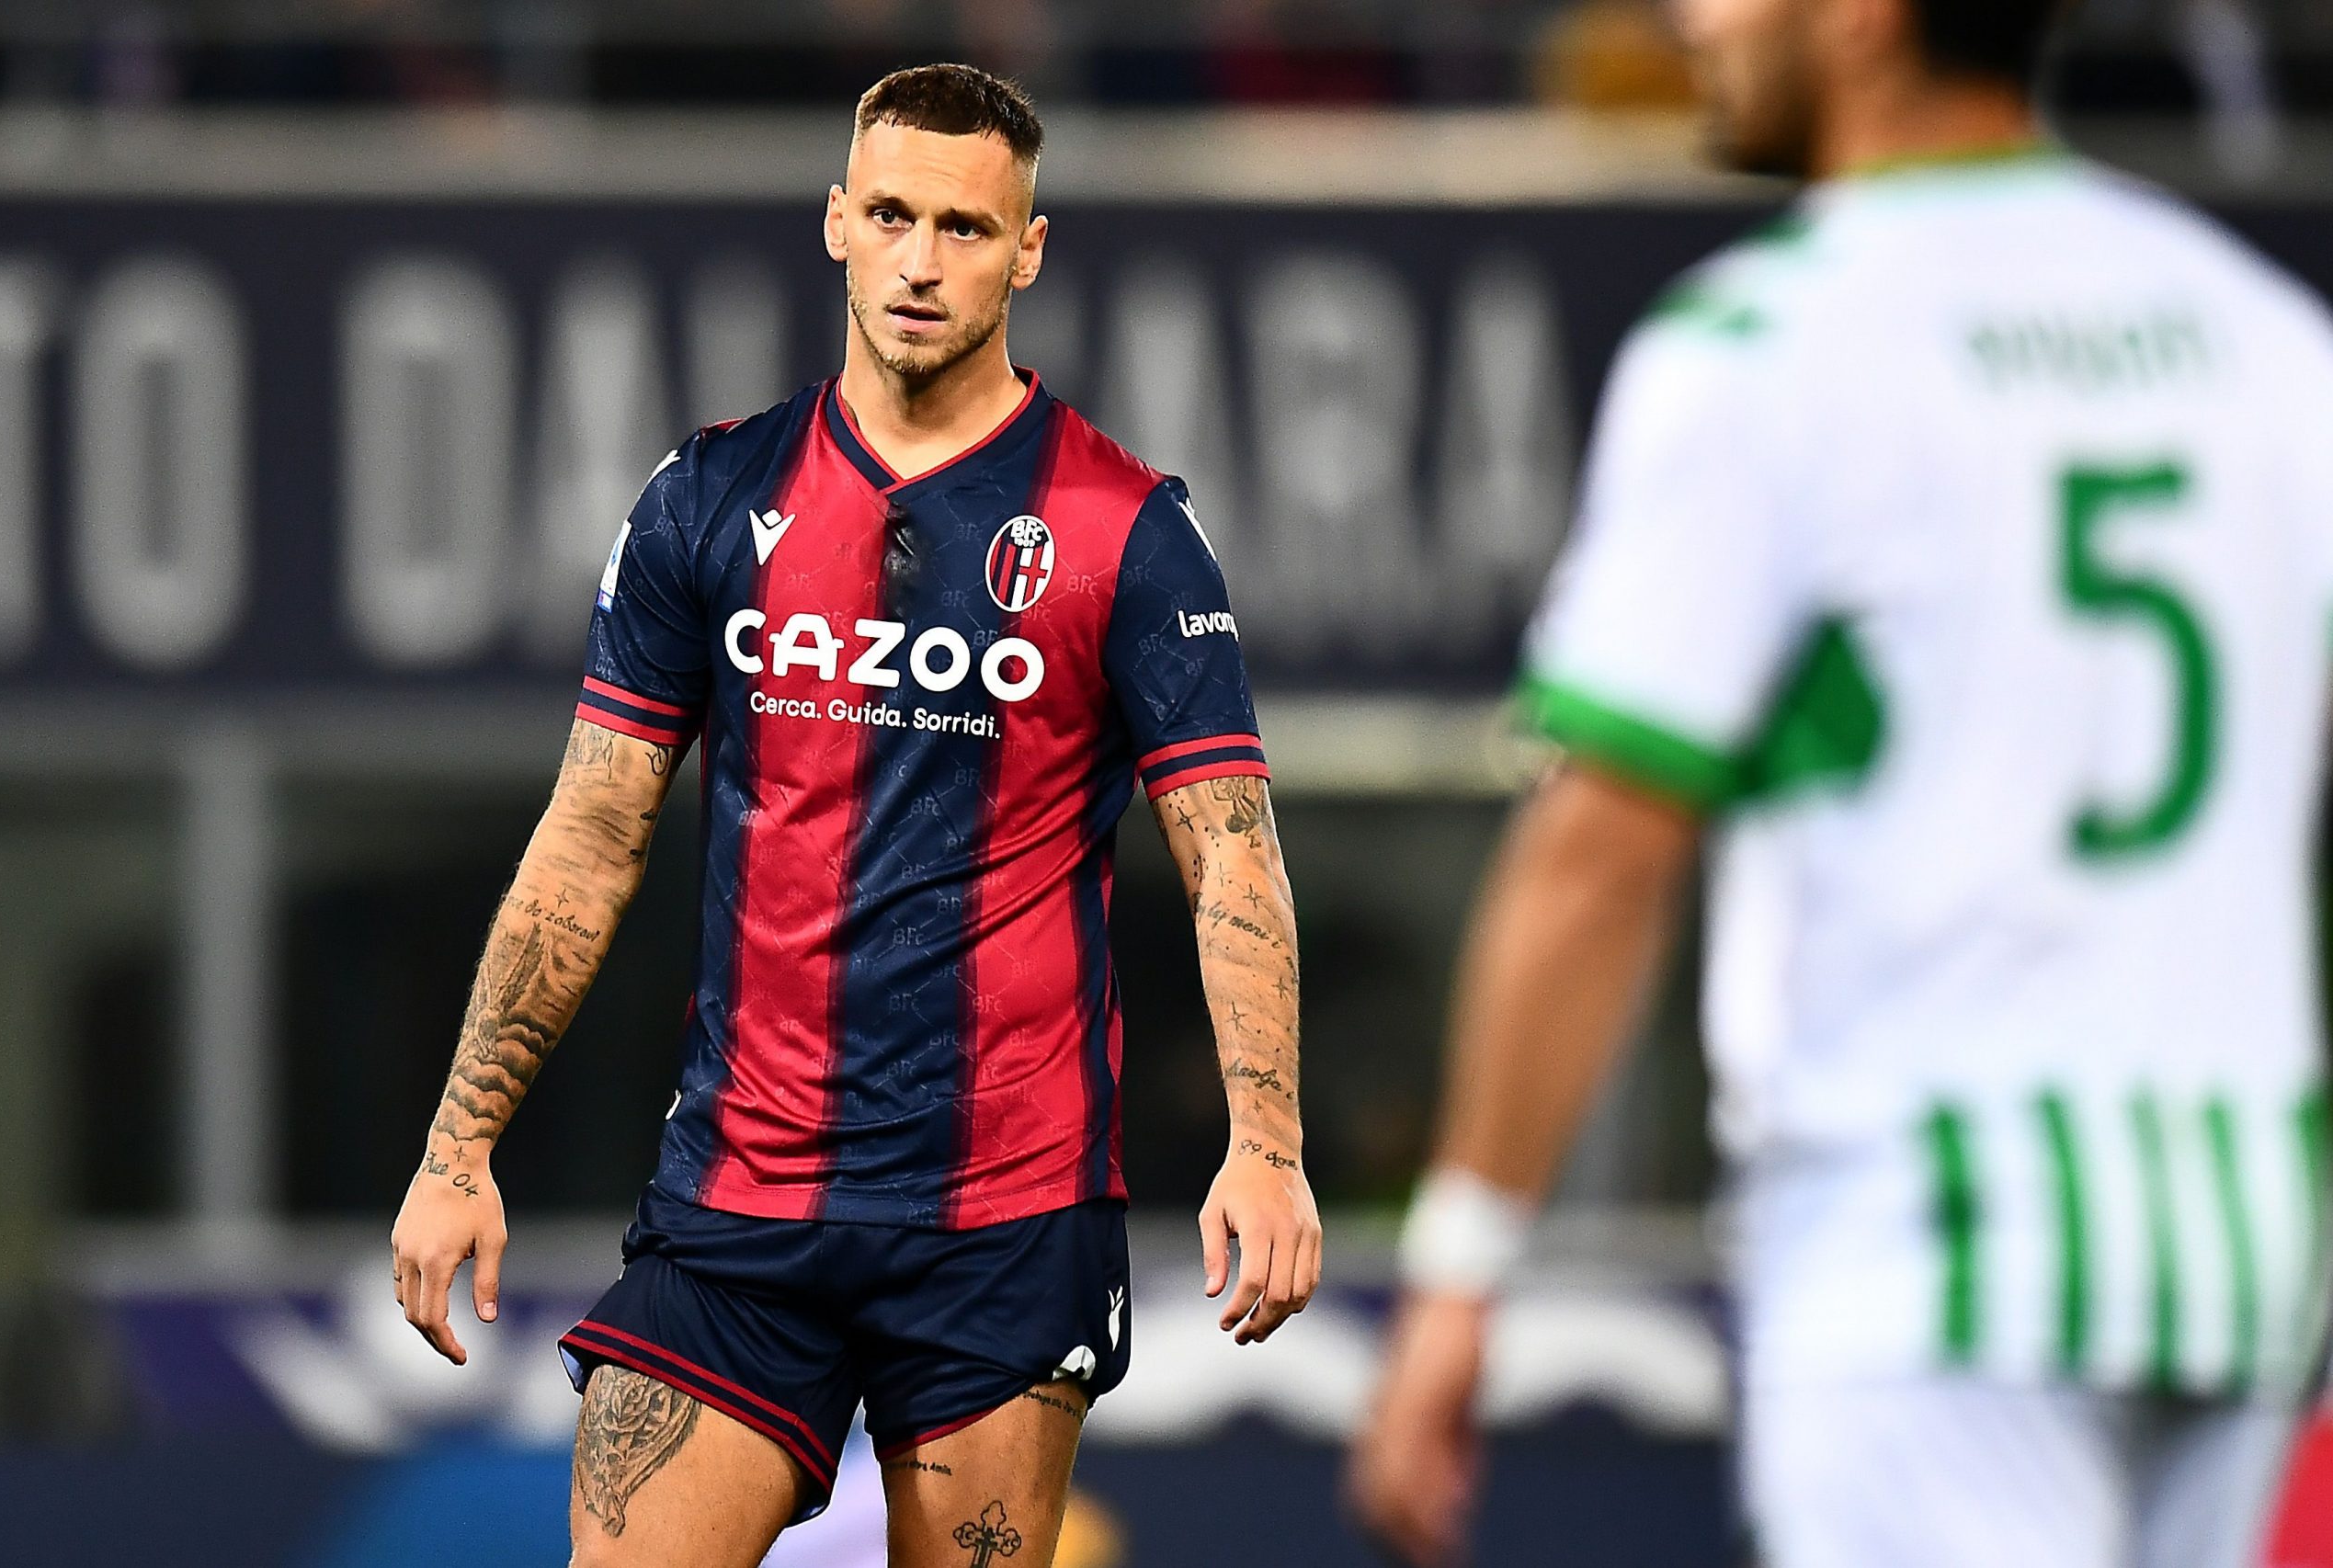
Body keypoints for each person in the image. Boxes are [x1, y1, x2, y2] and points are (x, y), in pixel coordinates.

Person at [1347, 1, 2333, 1564]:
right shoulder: (2270, 340)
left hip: (1932, 1249)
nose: (1694, 19)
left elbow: (1602, 848)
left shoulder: (1768, 343)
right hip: (2235, 1246)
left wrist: (1459, 1264)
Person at [387, 62, 1320, 1568]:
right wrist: (455, 1144)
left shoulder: (1126, 531)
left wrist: (1266, 1141)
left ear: (1027, 251)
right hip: (743, 1198)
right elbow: (590, 834)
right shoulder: (708, 499)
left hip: (1003, 1218)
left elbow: (1232, 853)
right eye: (891, 212)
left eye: (963, 225)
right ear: (837, 222)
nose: (921, 257)